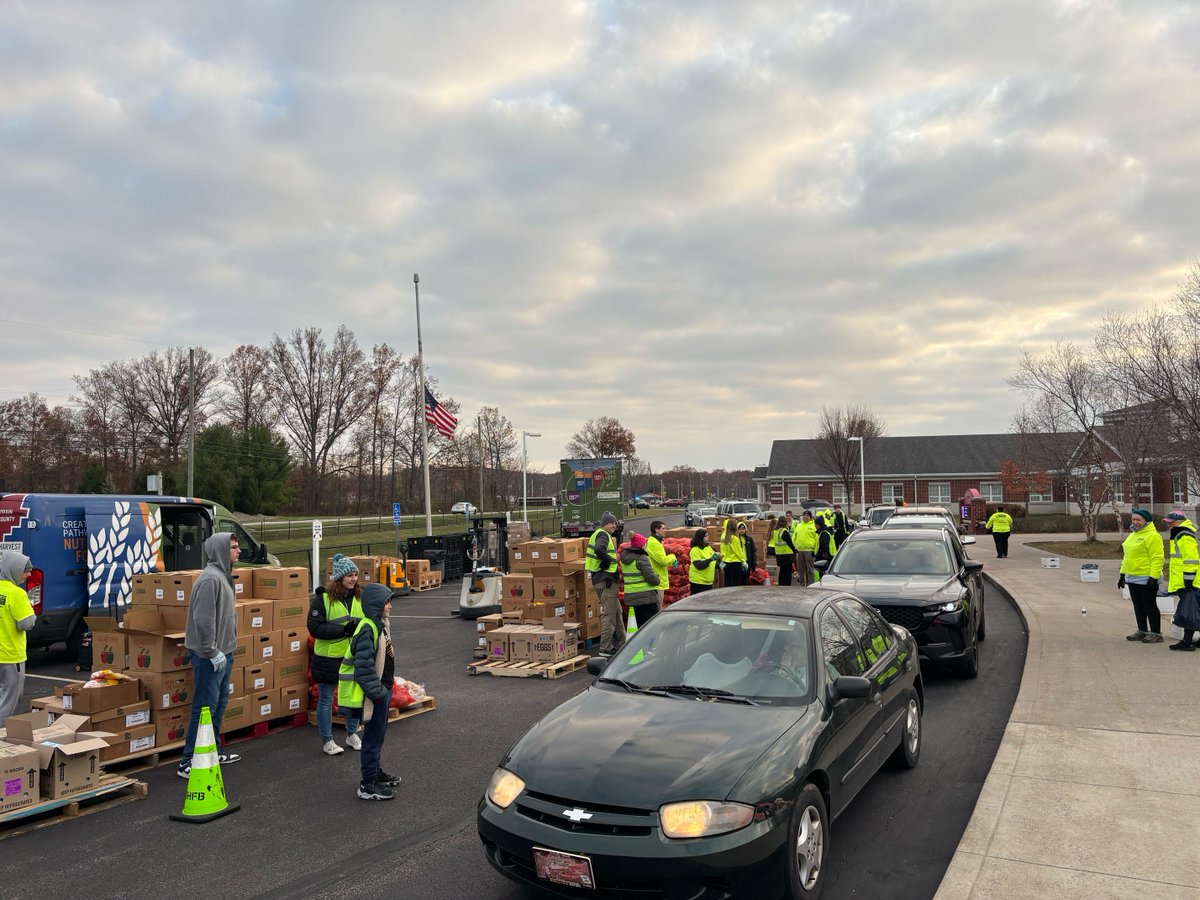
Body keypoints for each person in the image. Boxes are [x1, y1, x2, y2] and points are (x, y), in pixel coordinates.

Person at [179, 533, 241, 779]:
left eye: (237, 547)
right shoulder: (210, 580)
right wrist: (211, 650)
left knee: (219, 704)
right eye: (233, 547)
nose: (238, 551)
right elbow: (203, 620)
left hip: (224, 652)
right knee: (205, 706)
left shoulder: (224, 577)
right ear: (219, 551)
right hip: (209, 656)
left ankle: (212, 750)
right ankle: (188, 761)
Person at [338, 583, 401, 800]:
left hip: (382, 690)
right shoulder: (367, 629)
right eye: (387, 602)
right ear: (376, 605)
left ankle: (375, 772)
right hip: (375, 694)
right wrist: (379, 693)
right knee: (372, 738)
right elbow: (363, 668)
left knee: (378, 736)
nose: (390, 606)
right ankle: (367, 784)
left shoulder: (379, 625)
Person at [308, 553, 364, 755]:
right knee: (325, 699)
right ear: (339, 578)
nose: (353, 579)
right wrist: (343, 631)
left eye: (355, 575)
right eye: (349, 575)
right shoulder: (322, 599)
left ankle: (352, 734)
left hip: (351, 657)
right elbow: (314, 628)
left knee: (354, 698)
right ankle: (327, 740)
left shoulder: (359, 597)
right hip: (328, 659)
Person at [1118, 508, 1166, 644]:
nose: (1135, 522)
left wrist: (1154, 576)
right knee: (1138, 605)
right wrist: (1122, 574)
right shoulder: (1133, 535)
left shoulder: (1153, 536)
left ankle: (1156, 633)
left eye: (1138, 520)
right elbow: (1127, 557)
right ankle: (1142, 630)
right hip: (1132, 576)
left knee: (1149, 605)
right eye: (1133, 519)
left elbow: (1157, 557)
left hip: (1146, 577)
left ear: (1147, 521)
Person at [0, 552, 36, 728]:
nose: (28, 575)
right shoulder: (17, 594)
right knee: (9, 700)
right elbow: (26, 624)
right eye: (25, 571)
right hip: (10, 656)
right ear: (13, 570)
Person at [1162, 510, 1199, 651]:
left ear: (1180, 521)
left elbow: (1191, 559)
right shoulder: (1181, 533)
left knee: (1189, 611)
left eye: (1171, 522)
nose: (1169, 525)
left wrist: (1189, 580)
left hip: (1189, 580)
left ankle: (1187, 641)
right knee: (1195, 609)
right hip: (1188, 579)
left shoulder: (1184, 535)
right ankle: (1189, 640)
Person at [587, 511, 623, 656]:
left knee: (617, 613)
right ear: (605, 524)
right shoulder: (603, 535)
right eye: (612, 523)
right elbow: (598, 549)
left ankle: (623, 643)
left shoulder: (600, 534)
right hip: (606, 581)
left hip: (604, 579)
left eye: (615, 523)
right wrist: (607, 562)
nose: (615, 525)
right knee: (609, 615)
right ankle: (605, 648)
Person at [620, 532, 662, 629]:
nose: (646, 545)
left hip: (632, 596)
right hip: (645, 597)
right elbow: (652, 579)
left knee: (641, 627)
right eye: (645, 544)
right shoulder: (642, 558)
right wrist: (657, 578)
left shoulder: (625, 560)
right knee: (652, 626)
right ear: (641, 545)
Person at [645, 520, 678, 603]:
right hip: (657, 582)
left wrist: (671, 562)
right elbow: (662, 560)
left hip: (658, 580)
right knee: (658, 609)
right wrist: (673, 557)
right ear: (656, 530)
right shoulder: (654, 543)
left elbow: (660, 559)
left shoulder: (657, 542)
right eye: (663, 528)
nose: (665, 530)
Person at [688, 529, 720, 594]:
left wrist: (719, 564)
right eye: (706, 536)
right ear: (700, 538)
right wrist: (711, 559)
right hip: (698, 582)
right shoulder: (695, 550)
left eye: (708, 535)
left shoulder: (708, 548)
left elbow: (712, 563)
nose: (708, 537)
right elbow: (699, 565)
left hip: (708, 581)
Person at [720, 518, 749, 587]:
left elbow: (723, 550)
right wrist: (743, 561)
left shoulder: (725, 538)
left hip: (727, 563)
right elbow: (738, 552)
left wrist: (723, 560)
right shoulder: (734, 538)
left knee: (728, 584)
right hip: (735, 563)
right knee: (736, 585)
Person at [793, 511, 818, 586]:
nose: (805, 517)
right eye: (804, 515)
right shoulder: (799, 526)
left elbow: (816, 539)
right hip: (799, 550)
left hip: (809, 550)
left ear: (810, 517)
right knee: (800, 570)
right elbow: (794, 537)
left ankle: (810, 584)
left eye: (807, 515)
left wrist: (815, 550)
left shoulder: (813, 526)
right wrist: (795, 546)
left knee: (810, 569)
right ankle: (802, 584)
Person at [772, 516, 798, 586]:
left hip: (779, 554)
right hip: (787, 555)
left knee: (782, 571)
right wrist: (795, 550)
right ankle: (786, 586)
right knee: (787, 573)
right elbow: (790, 543)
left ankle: (781, 585)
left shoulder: (776, 531)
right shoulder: (784, 531)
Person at [813, 516, 836, 581]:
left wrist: (817, 557)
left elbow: (823, 547)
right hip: (828, 556)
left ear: (818, 524)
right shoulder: (824, 532)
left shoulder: (824, 533)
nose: (814, 526)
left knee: (823, 577)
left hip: (825, 558)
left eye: (815, 524)